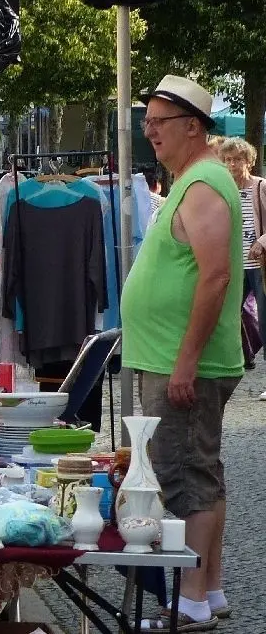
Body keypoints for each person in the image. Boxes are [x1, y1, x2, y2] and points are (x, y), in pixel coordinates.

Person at [121, 75, 242, 632]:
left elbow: (215, 277)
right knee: (199, 471)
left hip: (181, 360)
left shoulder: (204, 185)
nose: (149, 133)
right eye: (145, 123)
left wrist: (187, 360)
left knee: (180, 476)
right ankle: (208, 589)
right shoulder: (192, 182)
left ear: (193, 126)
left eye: (158, 123)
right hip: (168, 355)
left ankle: (190, 600)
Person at [219, 137, 266, 370]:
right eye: (227, 160)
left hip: (259, 263)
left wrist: (262, 242)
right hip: (235, 264)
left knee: (264, 316)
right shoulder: (225, 191)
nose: (232, 165)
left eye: (237, 159)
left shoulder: (260, 186)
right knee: (230, 313)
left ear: (249, 161)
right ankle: (242, 358)